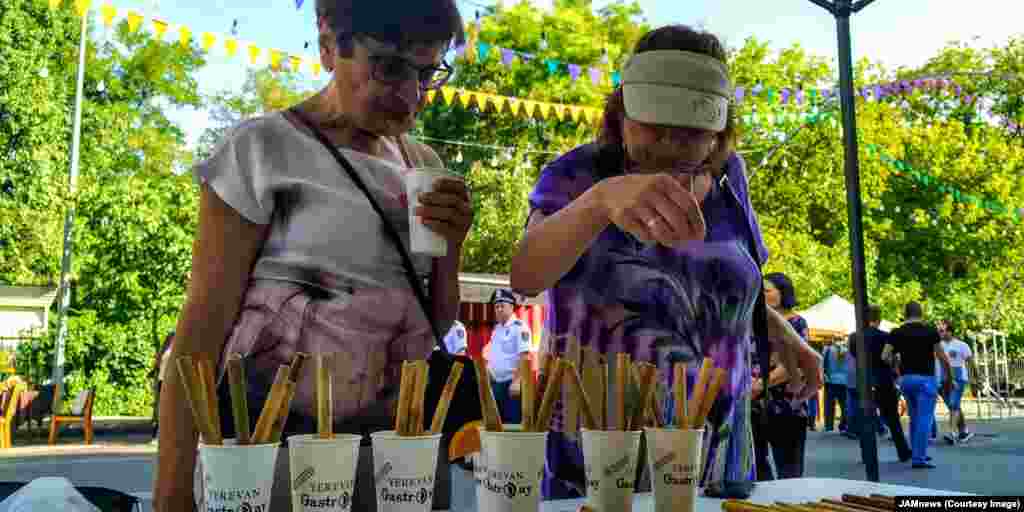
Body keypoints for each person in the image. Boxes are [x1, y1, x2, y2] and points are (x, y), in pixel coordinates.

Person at [153, 1, 472, 510]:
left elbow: (433, 329)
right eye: (389, 67)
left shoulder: (424, 165)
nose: (412, 95)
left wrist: (451, 248)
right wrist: (171, 492)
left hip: (400, 460)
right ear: (328, 44)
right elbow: (200, 333)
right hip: (271, 460)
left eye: (427, 72)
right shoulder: (261, 150)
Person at [510, 24, 823, 499]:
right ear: (620, 113)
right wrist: (600, 202)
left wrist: (779, 333)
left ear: (720, 129)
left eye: (692, 131)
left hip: (719, 447)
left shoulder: (729, 180)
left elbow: (730, 286)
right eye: (654, 125)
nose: (670, 144)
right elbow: (526, 276)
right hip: (606, 451)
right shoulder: (577, 174)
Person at [752, 272, 812, 481]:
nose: (760, 294)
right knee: (757, 470)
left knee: (790, 474)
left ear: (783, 293)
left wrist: (759, 385)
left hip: (787, 409)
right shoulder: (754, 322)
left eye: (766, 291)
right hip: (753, 408)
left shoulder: (797, 323)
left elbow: (795, 364)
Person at [884, 302, 953, 469]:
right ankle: (919, 458)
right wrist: (949, 377)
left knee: (914, 418)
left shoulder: (896, 332)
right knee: (924, 419)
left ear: (905, 313)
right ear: (921, 313)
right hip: (926, 380)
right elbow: (942, 357)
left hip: (906, 380)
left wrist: (896, 369)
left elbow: (885, 356)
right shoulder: (930, 331)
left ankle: (917, 453)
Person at [850, 305, 912, 462]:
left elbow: (854, 355)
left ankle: (867, 455)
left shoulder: (854, 337)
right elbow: (894, 358)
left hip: (864, 380)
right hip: (884, 379)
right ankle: (903, 451)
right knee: (892, 417)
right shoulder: (886, 336)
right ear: (879, 319)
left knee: (865, 418)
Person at [486, 289, 532, 424]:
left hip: (511, 384)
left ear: (512, 307)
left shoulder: (520, 327)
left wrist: (517, 381)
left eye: (502, 306)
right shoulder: (496, 329)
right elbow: (494, 356)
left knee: (512, 425)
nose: (499, 309)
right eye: (496, 306)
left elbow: (524, 356)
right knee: (496, 424)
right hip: (495, 384)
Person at [936, 319, 974, 444]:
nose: (940, 333)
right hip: (943, 379)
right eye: (939, 330)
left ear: (950, 331)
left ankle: (951, 433)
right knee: (954, 406)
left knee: (953, 404)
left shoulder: (961, 345)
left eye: (942, 330)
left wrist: (975, 377)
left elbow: (970, 362)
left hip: (958, 378)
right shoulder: (938, 345)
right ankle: (964, 431)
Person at [152, 331, 175, 442]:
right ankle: (161, 433)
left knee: (164, 407)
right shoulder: (169, 351)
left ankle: (161, 433)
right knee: (164, 407)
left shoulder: (165, 351)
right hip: (165, 380)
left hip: (165, 381)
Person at [822, 340, 848, 433]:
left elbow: (823, 364)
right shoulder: (847, 350)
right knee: (845, 405)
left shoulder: (828, 349)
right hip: (844, 381)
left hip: (830, 381)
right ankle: (844, 425)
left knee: (829, 405)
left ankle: (829, 426)